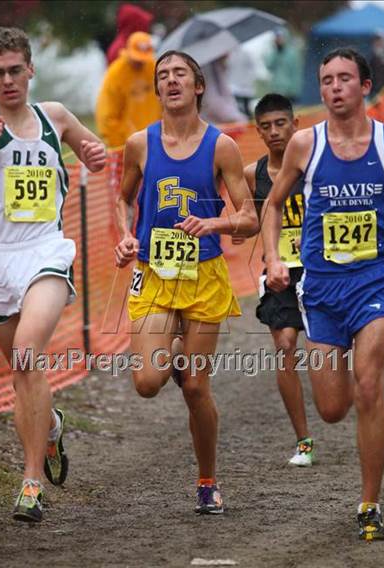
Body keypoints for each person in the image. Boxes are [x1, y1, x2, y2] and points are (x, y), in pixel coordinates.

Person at [114, 50, 259, 514]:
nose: (170, 81)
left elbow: (249, 218)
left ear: (198, 87)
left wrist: (211, 224)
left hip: (204, 276)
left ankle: (207, 481)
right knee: (147, 382)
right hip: (154, 273)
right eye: (163, 76)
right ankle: (173, 354)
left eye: (180, 74)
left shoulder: (221, 147)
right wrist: (123, 237)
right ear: (158, 90)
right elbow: (122, 200)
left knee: (196, 389)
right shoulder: (140, 143)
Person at [263, 47, 384, 541]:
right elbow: (272, 207)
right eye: (326, 80)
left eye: (344, 79)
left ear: (365, 86)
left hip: (375, 283)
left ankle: (369, 503)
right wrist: (275, 259)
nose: (334, 87)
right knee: (333, 407)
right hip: (320, 289)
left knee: (368, 387)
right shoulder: (303, 144)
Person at [0, 26, 106, 523]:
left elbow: (95, 152)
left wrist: (93, 152)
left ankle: (30, 484)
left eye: (16, 70)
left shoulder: (54, 116)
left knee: (29, 356)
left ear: (31, 69)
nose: (9, 80)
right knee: (22, 373)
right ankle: (50, 427)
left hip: (47, 252)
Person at [243, 93, 314, 466]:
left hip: (321, 268)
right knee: (285, 345)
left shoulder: (316, 165)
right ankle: (303, 439)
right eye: (266, 127)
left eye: (280, 124)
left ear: (295, 123)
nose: (274, 132)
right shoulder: (251, 174)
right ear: (258, 131)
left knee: (327, 351)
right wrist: (238, 230)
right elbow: (249, 218)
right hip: (278, 268)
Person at [95, 31, 161, 149]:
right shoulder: (115, 74)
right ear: (128, 50)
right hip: (126, 144)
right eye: (137, 58)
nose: (140, 62)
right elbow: (107, 115)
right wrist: (119, 143)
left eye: (143, 58)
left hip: (155, 139)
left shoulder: (154, 68)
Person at [265, 29, 303, 103]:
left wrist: (294, 89)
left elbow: (295, 72)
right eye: (277, 37)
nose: (279, 40)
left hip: (290, 91)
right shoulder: (273, 52)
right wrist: (276, 51)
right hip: (276, 89)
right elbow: (269, 66)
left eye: (280, 37)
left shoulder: (292, 53)